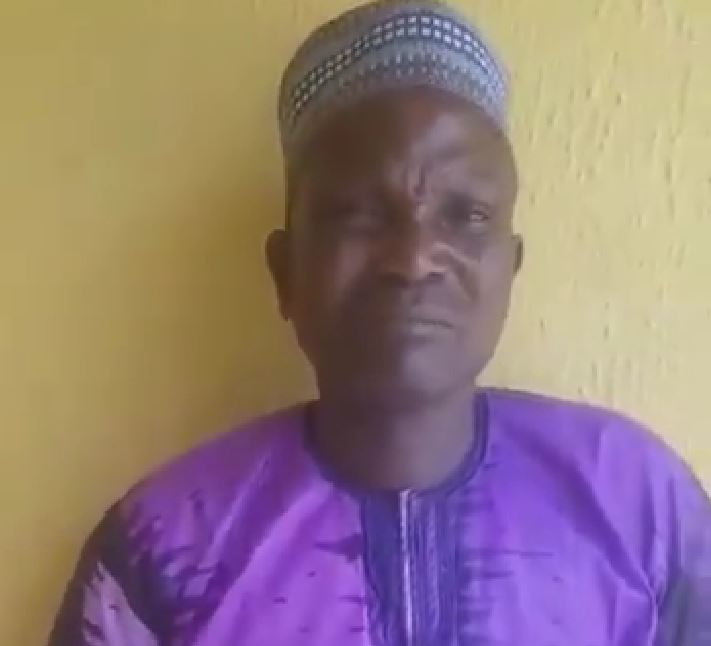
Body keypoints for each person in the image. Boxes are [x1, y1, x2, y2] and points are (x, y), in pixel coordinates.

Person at [48, 1, 711, 644]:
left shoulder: (639, 511)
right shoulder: (161, 551)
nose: (414, 259)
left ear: (510, 269)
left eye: (465, 216)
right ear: (285, 272)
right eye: (357, 215)